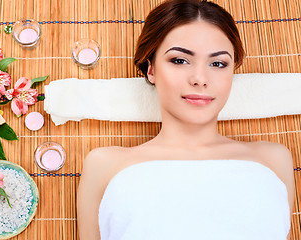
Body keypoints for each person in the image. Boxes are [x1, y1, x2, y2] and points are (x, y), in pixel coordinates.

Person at [77, 0, 295, 239]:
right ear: (151, 70)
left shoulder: (273, 160)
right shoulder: (104, 166)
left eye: (218, 63)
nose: (200, 78)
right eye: (179, 60)